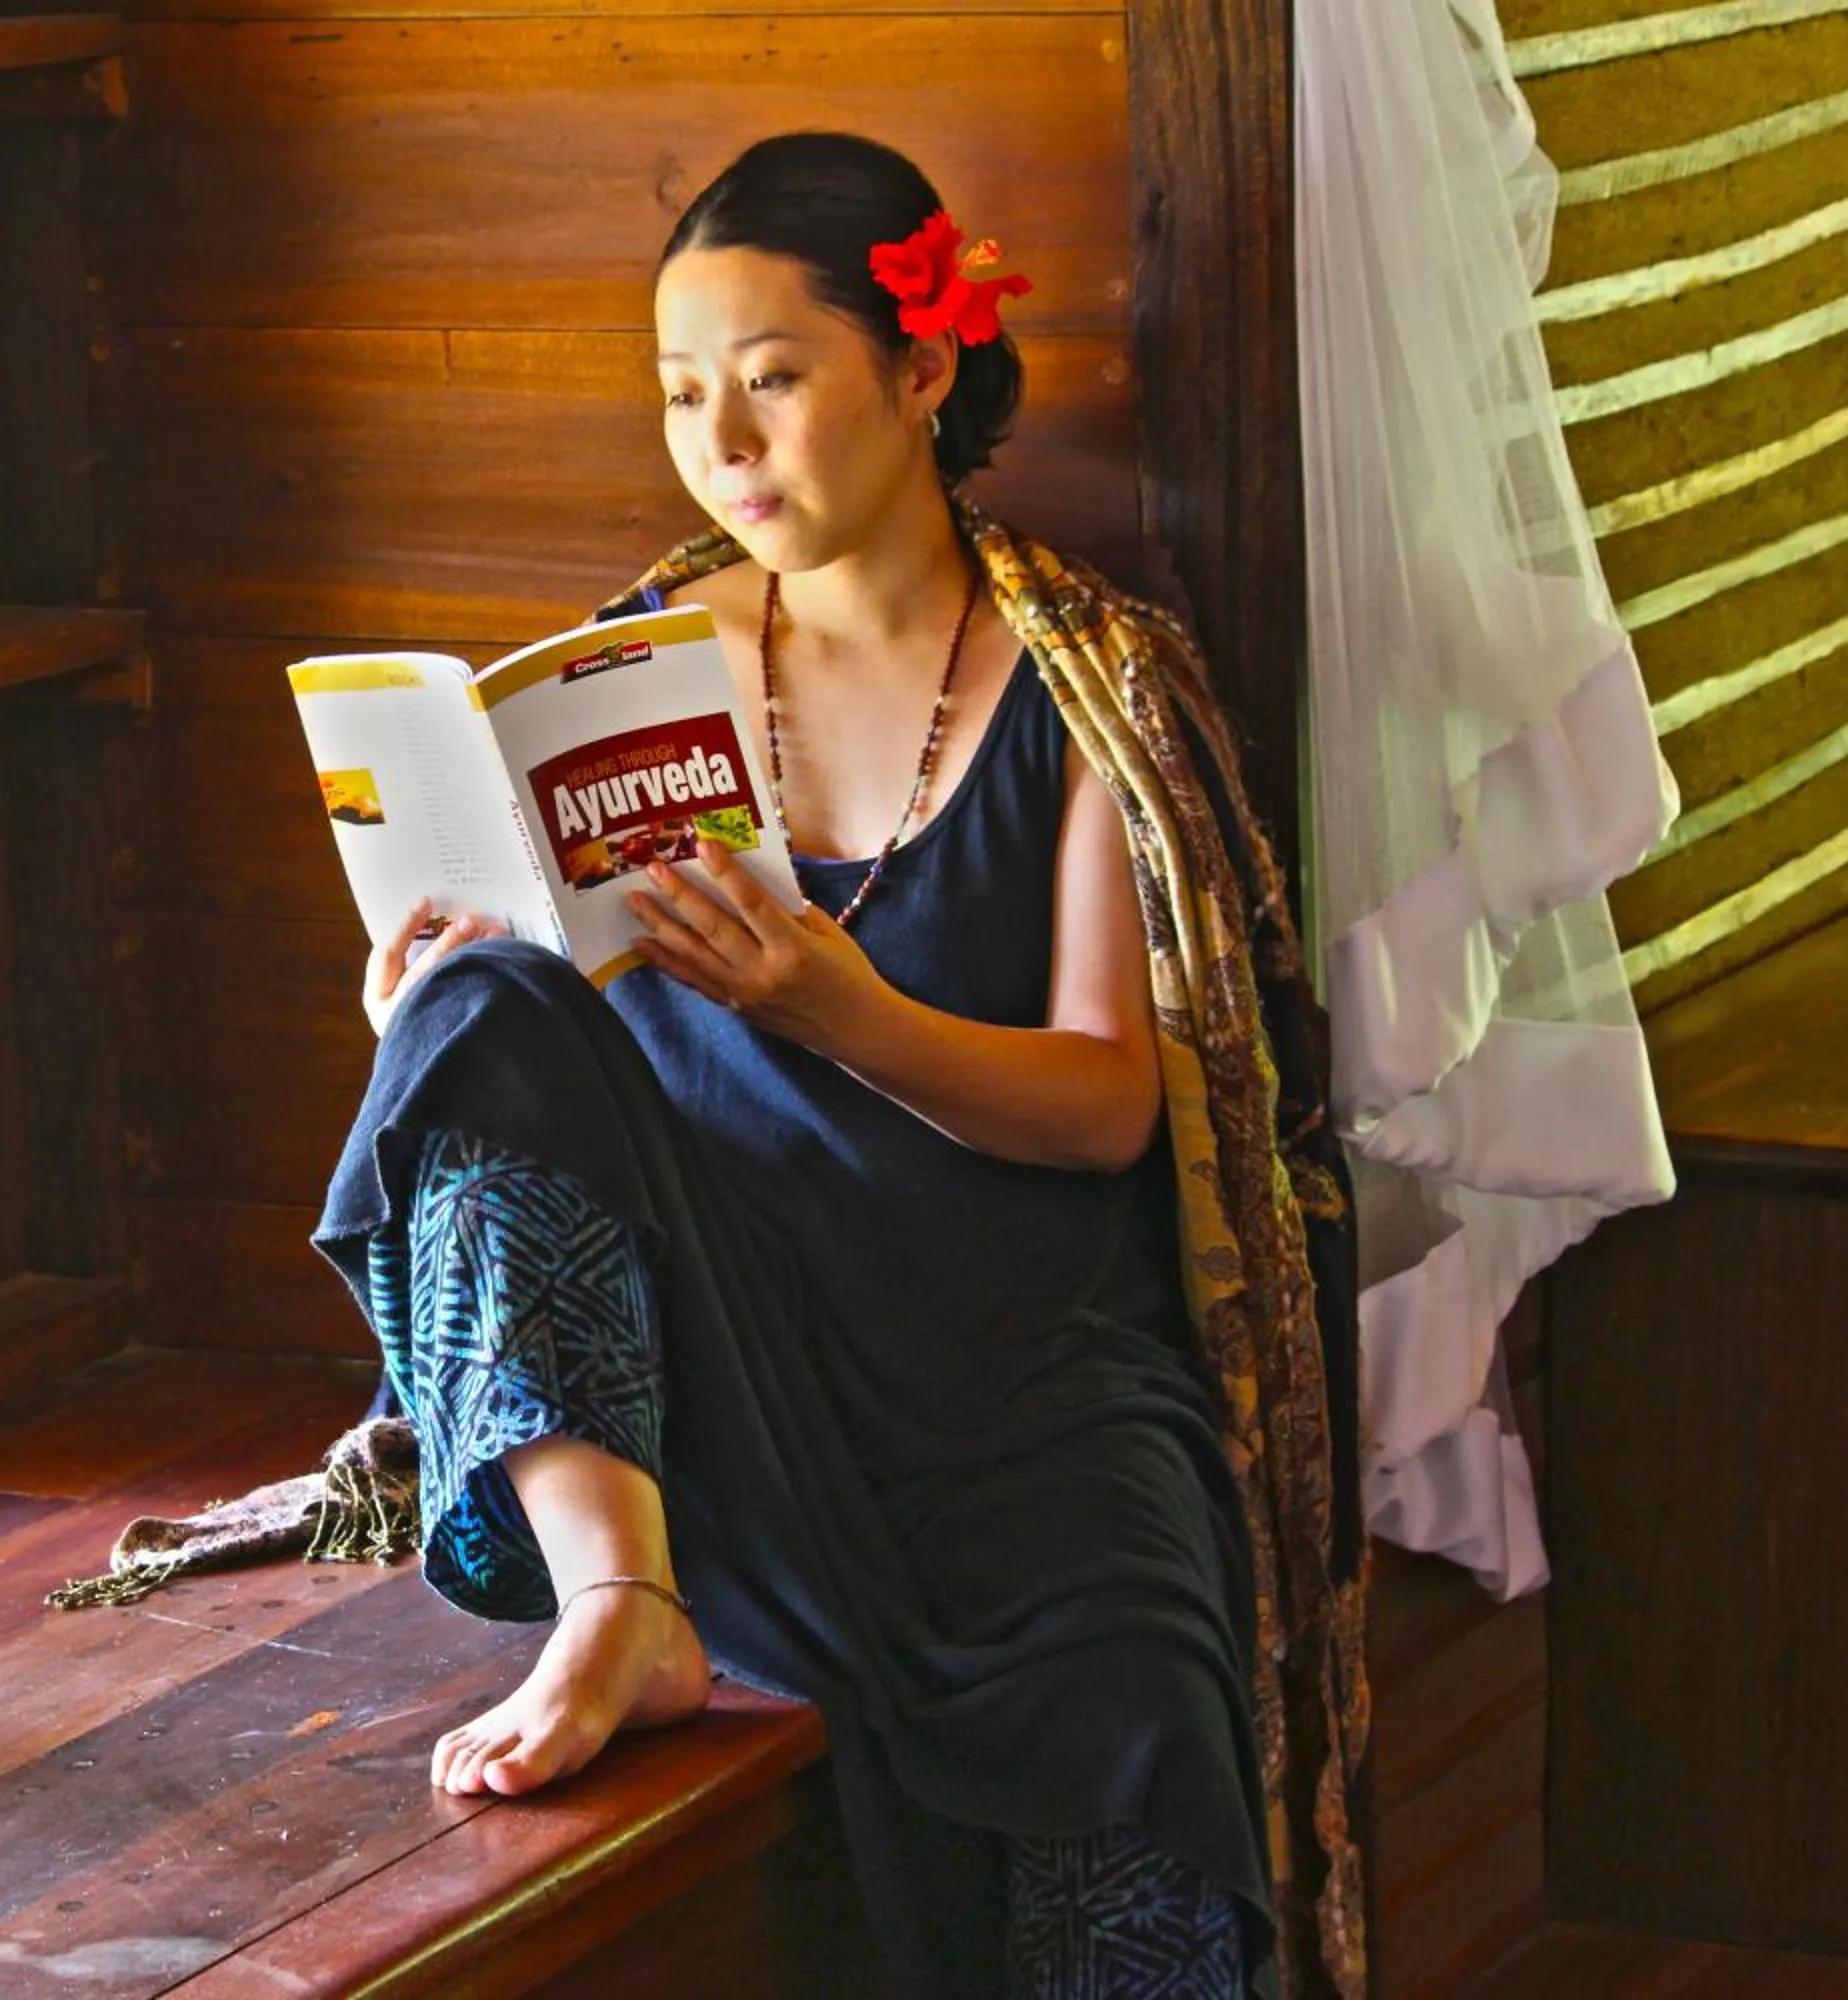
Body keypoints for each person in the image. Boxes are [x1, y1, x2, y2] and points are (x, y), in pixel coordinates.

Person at [314, 133, 1369, 1999]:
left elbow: (1111, 1104)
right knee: (473, 1022)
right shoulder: (623, 677)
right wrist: (437, 989)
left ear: (924, 368)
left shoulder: (1090, 683)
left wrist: (840, 1011)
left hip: (1009, 1363)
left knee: (1133, 1703)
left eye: (776, 381)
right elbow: (564, 1063)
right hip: (723, 1330)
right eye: (681, 396)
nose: (725, 444)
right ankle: (617, 1602)